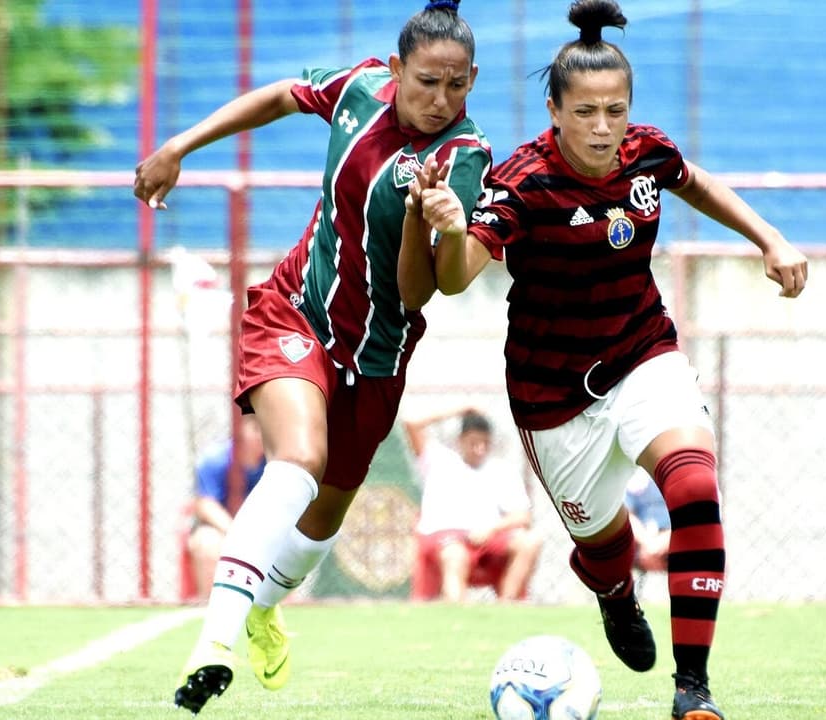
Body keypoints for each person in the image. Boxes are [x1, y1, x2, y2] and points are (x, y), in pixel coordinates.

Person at [412, 1, 808, 717]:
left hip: (642, 353)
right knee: (606, 551)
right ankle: (614, 591)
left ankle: (694, 692)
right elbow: (455, 276)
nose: (602, 127)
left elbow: (695, 181)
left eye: (615, 110)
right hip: (553, 397)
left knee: (693, 489)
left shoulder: (647, 153)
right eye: (586, 111)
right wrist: (447, 227)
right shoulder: (522, 180)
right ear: (554, 111)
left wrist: (769, 238)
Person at [134, 1, 491, 714]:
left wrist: (438, 222)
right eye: (426, 82)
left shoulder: (464, 158)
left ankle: (265, 607)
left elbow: (431, 287)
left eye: (455, 86)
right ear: (394, 70)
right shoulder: (359, 88)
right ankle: (217, 643)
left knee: (323, 520)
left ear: (473, 80)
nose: (439, 100)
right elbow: (277, 95)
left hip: (379, 355)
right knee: (298, 460)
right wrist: (180, 145)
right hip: (295, 310)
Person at [403, 407, 542, 602]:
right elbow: (411, 422)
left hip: (488, 537)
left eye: (485, 443)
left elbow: (523, 516)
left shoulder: (501, 470)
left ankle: (507, 605)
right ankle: (457, 610)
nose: (480, 449)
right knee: (455, 555)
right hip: (445, 537)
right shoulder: (439, 460)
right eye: (473, 443)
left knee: (530, 542)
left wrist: (492, 529)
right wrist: (461, 409)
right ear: (460, 441)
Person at [185, 416, 267, 599]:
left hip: (262, 532)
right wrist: (237, 533)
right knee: (206, 543)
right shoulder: (215, 459)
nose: (263, 435)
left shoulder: (275, 463)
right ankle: (209, 606)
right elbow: (205, 505)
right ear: (241, 430)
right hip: (223, 530)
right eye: (256, 429)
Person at [626, 469, 671, 574]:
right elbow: (624, 513)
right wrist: (647, 543)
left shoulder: (688, 471)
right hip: (638, 553)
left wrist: (665, 541)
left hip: (677, 547)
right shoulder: (633, 474)